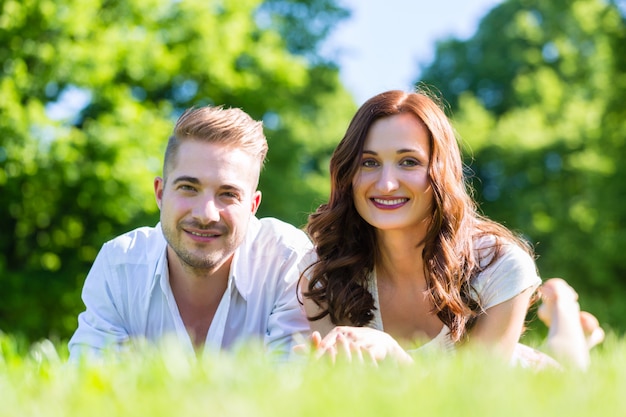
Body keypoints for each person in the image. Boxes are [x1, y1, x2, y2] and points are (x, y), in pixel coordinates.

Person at [299, 89, 603, 370]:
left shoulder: (501, 266)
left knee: (572, 371)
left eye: (408, 162)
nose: (387, 184)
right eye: (369, 163)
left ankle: (562, 305)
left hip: (514, 385)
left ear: (441, 172)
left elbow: (469, 401)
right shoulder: (324, 274)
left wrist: (393, 358)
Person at [69, 105, 312, 361]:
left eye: (228, 194)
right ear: (160, 194)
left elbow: (291, 385)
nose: (206, 214)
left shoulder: (289, 262)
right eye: (188, 187)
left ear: (252, 206)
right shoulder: (119, 265)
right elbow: (89, 384)